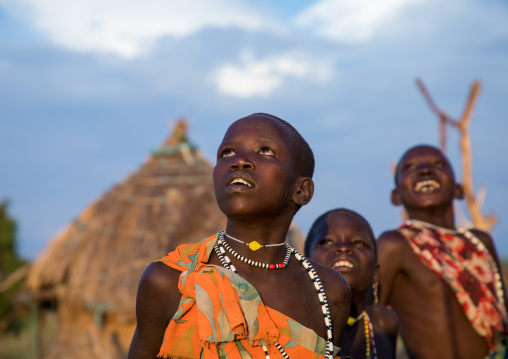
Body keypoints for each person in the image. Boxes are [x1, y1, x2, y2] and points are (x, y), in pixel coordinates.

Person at [128, 113, 351, 359]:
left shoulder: (327, 290)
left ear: (301, 190)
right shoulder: (172, 281)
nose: (240, 161)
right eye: (227, 153)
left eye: (265, 151)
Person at [377, 144, 508, 359]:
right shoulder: (394, 245)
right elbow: (369, 320)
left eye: (438, 164)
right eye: (410, 167)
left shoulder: (480, 241)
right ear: (396, 196)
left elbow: (502, 313)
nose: (425, 170)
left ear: (458, 189)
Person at [305, 208, 399, 359]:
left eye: (358, 242)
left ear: (375, 273)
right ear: (304, 266)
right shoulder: (290, 322)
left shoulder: (383, 325)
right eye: (326, 241)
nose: (343, 248)